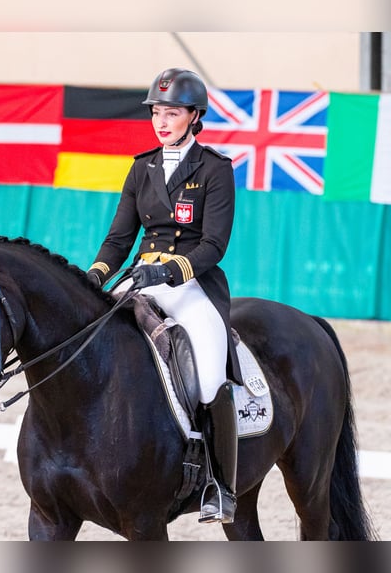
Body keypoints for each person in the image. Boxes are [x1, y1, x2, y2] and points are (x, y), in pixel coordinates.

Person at [86, 67, 242, 524]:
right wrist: (95, 276)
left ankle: (220, 486)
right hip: (137, 278)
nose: (161, 121)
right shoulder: (141, 168)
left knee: (212, 373)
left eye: (171, 112)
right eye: (156, 112)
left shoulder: (215, 169)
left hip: (191, 284)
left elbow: (214, 244)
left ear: (194, 116)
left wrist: (170, 270)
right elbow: (118, 240)